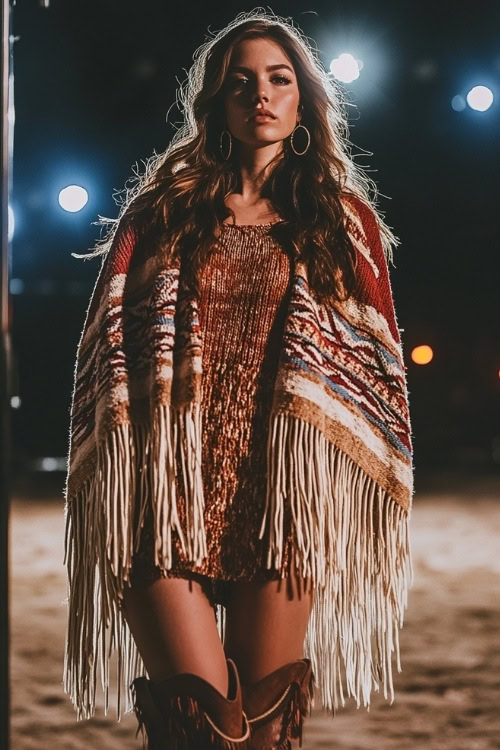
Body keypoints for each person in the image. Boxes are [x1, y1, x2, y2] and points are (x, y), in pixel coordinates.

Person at [63, 9, 414, 749]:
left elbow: (371, 365)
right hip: (169, 492)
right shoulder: (162, 213)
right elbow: (108, 356)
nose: (262, 94)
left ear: (302, 99)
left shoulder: (342, 222)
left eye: (278, 79)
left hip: (280, 496)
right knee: (196, 726)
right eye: (241, 82)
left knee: (263, 731)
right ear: (217, 103)